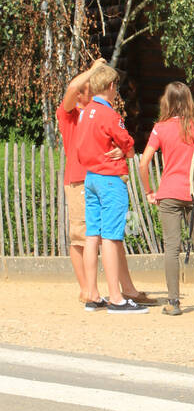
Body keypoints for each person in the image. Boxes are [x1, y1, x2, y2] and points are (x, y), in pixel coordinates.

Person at [56, 60, 150, 307]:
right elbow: (72, 87)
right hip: (82, 179)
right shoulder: (71, 112)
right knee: (86, 238)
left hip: (91, 177)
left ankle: (123, 289)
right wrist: (93, 70)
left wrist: (119, 149)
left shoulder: (92, 114)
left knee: (103, 236)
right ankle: (90, 291)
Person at [138, 82, 194, 315]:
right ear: (189, 101)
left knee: (171, 248)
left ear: (167, 101)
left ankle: (173, 303)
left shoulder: (159, 128)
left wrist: (149, 191)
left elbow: (144, 162)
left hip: (169, 193)